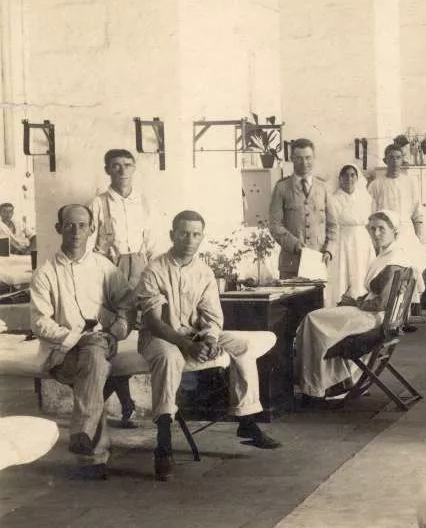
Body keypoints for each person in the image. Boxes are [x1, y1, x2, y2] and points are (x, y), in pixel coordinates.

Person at [137, 211, 280, 482]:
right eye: (183, 233)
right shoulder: (154, 270)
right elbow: (154, 323)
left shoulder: (204, 271)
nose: (189, 240)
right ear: (172, 235)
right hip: (160, 338)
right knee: (168, 358)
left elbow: (212, 317)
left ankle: (247, 421)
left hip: (194, 335)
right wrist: (187, 345)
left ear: (202, 237)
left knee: (241, 346)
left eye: (196, 234)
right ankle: (163, 444)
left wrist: (211, 339)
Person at [30, 204, 134, 479]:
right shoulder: (46, 273)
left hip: (102, 340)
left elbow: (127, 303)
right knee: (94, 366)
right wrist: (74, 337)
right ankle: (89, 444)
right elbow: (39, 322)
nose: (76, 232)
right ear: (58, 228)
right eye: (69, 225)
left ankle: (85, 439)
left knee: (95, 350)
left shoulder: (103, 267)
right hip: (63, 352)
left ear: (91, 229)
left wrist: (118, 329)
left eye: (82, 226)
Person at [295, 210, 416, 401]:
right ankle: (335, 380)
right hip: (382, 317)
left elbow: (381, 303)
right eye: (373, 229)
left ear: (394, 231)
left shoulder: (394, 261)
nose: (376, 233)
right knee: (323, 318)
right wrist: (354, 301)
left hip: (375, 319)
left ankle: (314, 387)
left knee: (313, 319)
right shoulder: (391, 254)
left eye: (381, 229)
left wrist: (355, 302)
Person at [89, 148, 153, 426]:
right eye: (116, 166)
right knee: (115, 334)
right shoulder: (98, 202)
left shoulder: (143, 201)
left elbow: (151, 241)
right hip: (109, 269)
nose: (122, 170)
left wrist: (151, 274)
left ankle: (110, 404)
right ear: (107, 170)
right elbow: (90, 246)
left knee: (135, 335)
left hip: (140, 268)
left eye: (127, 165)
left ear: (134, 168)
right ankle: (111, 404)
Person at [269, 138, 337, 279]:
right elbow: (274, 225)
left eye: (308, 158)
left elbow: (333, 225)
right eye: (299, 158)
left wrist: (329, 250)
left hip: (318, 261)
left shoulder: (323, 187)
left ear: (314, 158)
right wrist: (295, 245)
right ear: (292, 158)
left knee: (316, 295)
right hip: (290, 263)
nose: (304, 163)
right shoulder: (281, 187)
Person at [368, 144, 426, 305]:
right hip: (386, 235)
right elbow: (371, 215)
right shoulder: (376, 185)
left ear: (402, 160)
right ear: (385, 160)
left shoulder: (410, 182)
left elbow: (417, 210)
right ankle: (390, 310)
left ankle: (411, 309)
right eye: (391, 158)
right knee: (390, 271)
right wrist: (375, 239)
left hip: (406, 232)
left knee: (411, 269)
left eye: (398, 158)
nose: (395, 161)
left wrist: (419, 234)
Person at [327, 164, 374, 304]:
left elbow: (369, 219)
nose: (349, 178)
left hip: (362, 239)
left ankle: (362, 302)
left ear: (357, 178)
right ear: (340, 179)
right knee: (344, 273)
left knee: (362, 272)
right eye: (345, 175)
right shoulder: (333, 199)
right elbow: (333, 222)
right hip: (343, 239)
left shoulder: (365, 197)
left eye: (352, 175)